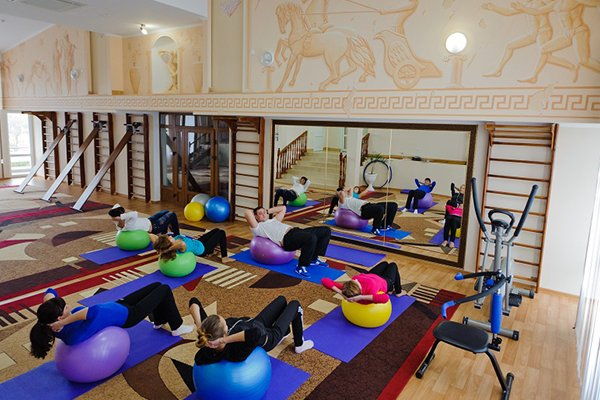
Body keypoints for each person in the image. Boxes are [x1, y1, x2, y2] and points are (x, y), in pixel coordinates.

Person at [29, 284, 193, 359]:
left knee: (156, 285)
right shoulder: (73, 335)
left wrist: (49, 302)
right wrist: (64, 322)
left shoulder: (52, 320)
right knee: (164, 289)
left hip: (119, 304)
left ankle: (160, 320)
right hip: (129, 316)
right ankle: (177, 326)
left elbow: (50, 291)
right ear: (59, 319)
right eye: (66, 308)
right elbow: (92, 312)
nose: (69, 307)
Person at [189, 295, 314, 365]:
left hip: (256, 322)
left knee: (282, 300)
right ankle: (299, 344)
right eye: (225, 323)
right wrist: (224, 340)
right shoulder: (234, 351)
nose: (226, 322)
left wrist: (200, 327)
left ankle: (285, 331)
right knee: (295, 304)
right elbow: (255, 333)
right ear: (224, 333)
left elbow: (193, 301)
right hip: (269, 337)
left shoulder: (209, 332)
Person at [245, 206, 330, 278]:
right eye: (260, 213)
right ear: (255, 217)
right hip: (287, 239)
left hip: (296, 231)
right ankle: (301, 266)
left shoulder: (274, 220)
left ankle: (313, 259)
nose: (263, 214)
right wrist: (258, 213)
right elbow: (247, 212)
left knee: (325, 230)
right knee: (311, 238)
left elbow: (283, 208)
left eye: (264, 212)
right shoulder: (258, 227)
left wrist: (267, 211)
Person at [321, 261, 404, 303]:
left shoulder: (349, 287)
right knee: (393, 265)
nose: (355, 280)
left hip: (371, 276)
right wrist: (361, 297)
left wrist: (341, 293)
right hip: (385, 281)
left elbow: (324, 280)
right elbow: (385, 298)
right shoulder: (370, 291)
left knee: (385, 263)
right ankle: (398, 292)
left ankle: (392, 289)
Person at [151, 229, 233, 263]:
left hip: (198, 241)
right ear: (169, 244)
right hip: (204, 249)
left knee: (216, 230)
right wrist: (166, 249)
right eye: (169, 238)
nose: (170, 236)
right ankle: (224, 258)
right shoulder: (181, 247)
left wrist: (158, 247)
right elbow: (182, 243)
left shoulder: (173, 241)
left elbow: (151, 236)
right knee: (221, 232)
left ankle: (211, 251)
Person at [109, 204, 180, 236]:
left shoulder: (121, 222)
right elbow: (135, 213)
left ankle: (164, 233)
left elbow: (116, 206)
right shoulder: (128, 226)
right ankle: (177, 235)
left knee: (165, 211)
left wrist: (118, 217)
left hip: (149, 220)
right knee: (172, 214)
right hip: (155, 227)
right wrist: (120, 217)